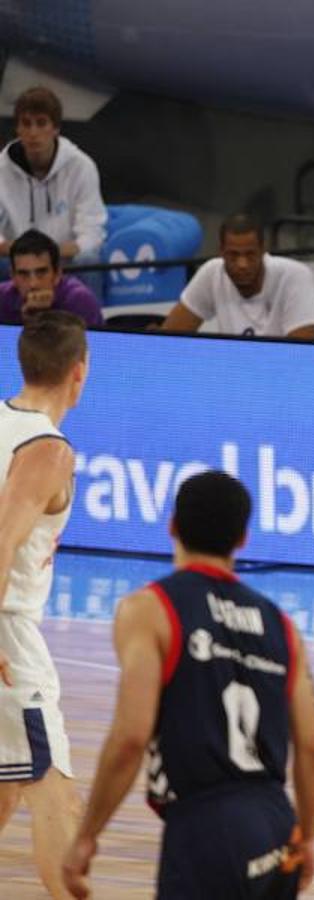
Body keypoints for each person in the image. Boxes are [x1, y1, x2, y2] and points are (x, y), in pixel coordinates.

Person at [60, 472, 314, 899]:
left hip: (206, 828)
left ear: (172, 526)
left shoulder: (149, 609)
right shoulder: (282, 625)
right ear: (243, 538)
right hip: (276, 824)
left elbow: (131, 738)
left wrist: (87, 835)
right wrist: (307, 836)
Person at [0, 310, 88, 898]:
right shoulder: (47, 450)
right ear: (79, 374)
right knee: (54, 786)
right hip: (7, 632)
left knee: (6, 787)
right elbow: (2, 543)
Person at [161, 214, 314, 339]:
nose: (242, 264)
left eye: (250, 254)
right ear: (222, 253)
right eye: (233, 255)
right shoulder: (211, 273)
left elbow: (300, 354)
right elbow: (169, 340)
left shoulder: (295, 276)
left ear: (263, 251)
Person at [0, 87, 106, 266]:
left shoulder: (82, 167)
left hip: (64, 260)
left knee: (88, 259)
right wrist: (25, 255)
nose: (33, 133)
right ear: (18, 129)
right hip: (19, 265)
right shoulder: (1, 168)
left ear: (56, 128)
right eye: (26, 123)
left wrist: (48, 254)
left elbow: (92, 234)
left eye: (41, 123)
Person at [0, 230, 102, 326]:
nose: (33, 284)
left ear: (57, 274)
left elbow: (94, 344)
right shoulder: (2, 297)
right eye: (23, 274)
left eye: (41, 272)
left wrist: (43, 318)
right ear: (13, 277)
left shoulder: (79, 300)